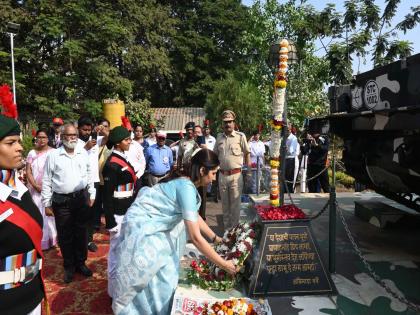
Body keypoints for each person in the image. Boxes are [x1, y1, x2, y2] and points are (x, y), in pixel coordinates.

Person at [109, 149, 237, 314]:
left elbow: (194, 215)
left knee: (166, 270)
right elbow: (195, 238)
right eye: (213, 173)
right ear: (202, 171)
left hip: (156, 225)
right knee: (154, 272)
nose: (214, 178)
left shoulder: (188, 183)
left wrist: (216, 238)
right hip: (145, 227)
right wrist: (224, 264)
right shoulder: (187, 187)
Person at [0, 106, 46, 314]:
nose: (19, 147)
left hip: (33, 292)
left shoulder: (18, 186)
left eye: (19, 141)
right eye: (11, 143)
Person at [42, 123, 96, 283]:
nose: (72, 138)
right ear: (62, 137)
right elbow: (46, 179)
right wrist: (47, 203)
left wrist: (91, 193)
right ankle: (69, 266)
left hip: (80, 198)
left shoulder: (82, 153)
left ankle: (81, 263)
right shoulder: (53, 155)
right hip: (61, 200)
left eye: (74, 135)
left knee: (81, 233)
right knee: (65, 234)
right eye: (68, 135)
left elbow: (89, 173)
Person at [102, 126, 137, 298]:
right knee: (115, 252)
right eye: (126, 140)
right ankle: (113, 290)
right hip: (117, 213)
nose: (130, 141)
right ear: (117, 143)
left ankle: (122, 286)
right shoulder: (111, 165)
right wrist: (110, 221)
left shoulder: (123, 158)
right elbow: (106, 196)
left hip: (127, 210)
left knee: (126, 250)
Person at [214, 110, 251, 229]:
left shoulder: (240, 136)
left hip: (236, 176)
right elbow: (215, 155)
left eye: (230, 122)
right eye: (225, 122)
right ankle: (227, 233)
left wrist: (249, 171)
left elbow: (247, 153)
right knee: (225, 205)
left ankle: (234, 233)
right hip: (222, 175)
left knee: (235, 206)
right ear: (222, 124)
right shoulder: (219, 137)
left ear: (234, 123)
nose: (227, 124)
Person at [76, 116, 107, 252]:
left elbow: (108, 139)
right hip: (78, 182)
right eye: (84, 130)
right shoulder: (74, 142)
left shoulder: (95, 140)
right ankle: (77, 239)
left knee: (91, 212)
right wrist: (85, 148)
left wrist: (103, 130)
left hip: (93, 180)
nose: (87, 132)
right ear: (78, 129)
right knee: (78, 212)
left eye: (89, 130)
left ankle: (89, 240)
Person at [26, 129, 57, 250]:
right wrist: (35, 185)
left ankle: (51, 240)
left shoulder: (54, 152)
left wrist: (48, 187)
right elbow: (28, 171)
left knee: (50, 216)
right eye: (39, 137)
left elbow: (57, 171)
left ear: (48, 139)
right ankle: (39, 240)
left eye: (44, 137)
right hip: (35, 189)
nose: (42, 140)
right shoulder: (32, 153)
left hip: (50, 189)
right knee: (37, 214)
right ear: (36, 138)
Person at [248, 130, 265, 194]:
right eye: (256, 135)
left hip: (260, 161)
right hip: (253, 161)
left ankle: (258, 191)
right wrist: (250, 139)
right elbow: (246, 148)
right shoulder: (251, 143)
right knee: (254, 178)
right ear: (254, 135)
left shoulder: (261, 143)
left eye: (258, 135)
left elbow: (263, 154)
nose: (257, 136)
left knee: (259, 178)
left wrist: (263, 163)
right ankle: (254, 192)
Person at [285, 125, 300, 193]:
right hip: (285, 159)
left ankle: (290, 192)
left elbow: (290, 151)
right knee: (284, 178)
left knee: (290, 178)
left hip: (291, 159)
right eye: (285, 130)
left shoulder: (293, 138)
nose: (286, 131)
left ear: (290, 130)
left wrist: (285, 148)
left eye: (288, 130)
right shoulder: (284, 138)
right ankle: (284, 192)